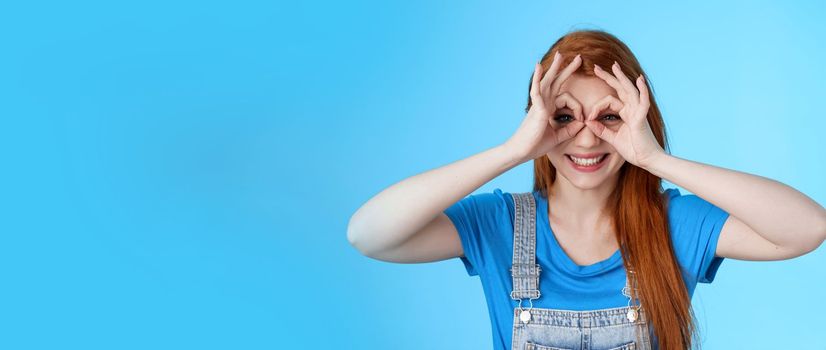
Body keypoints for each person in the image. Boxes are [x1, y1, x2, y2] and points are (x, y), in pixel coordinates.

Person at [345, 30, 826, 350]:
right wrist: (513, 151)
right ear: (538, 122)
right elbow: (369, 234)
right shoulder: (498, 225)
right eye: (564, 117)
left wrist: (657, 160)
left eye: (610, 117)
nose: (588, 136)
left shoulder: (673, 224)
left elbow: (806, 229)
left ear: (637, 120)